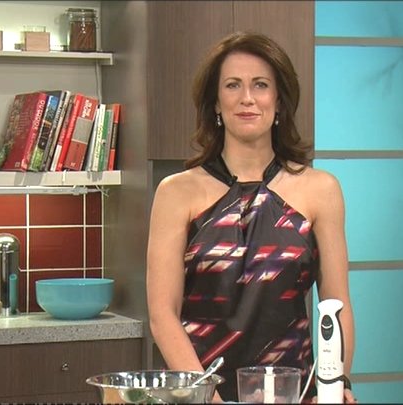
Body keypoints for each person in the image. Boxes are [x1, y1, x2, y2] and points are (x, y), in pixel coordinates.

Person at [146, 31, 356, 403]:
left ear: (279, 100)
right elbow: (163, 314)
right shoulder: (175, 193)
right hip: (198, 392)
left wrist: (337, 386)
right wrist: (205, 396)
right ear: (215, 102)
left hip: (294, 392)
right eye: (233, 85)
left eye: (260, 85)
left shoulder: (321, 189)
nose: (247, 98)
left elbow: (336, 305)